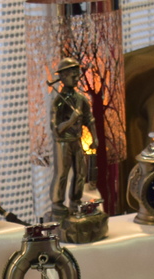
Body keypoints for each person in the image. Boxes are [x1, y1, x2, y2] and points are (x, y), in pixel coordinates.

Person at [48, 57, 98, 219]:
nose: (77, 78)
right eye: (73, 75)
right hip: (63, 143)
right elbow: (56, 130)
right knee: (62, 173)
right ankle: (57, 202)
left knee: (81, 172)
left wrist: (95, 137)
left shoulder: (80, 99)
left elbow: (89, 119)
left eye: (77, 75)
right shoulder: (58, 102)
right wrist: (71, 120)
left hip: (77, 140)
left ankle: (76, 200)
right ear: (63, 77)